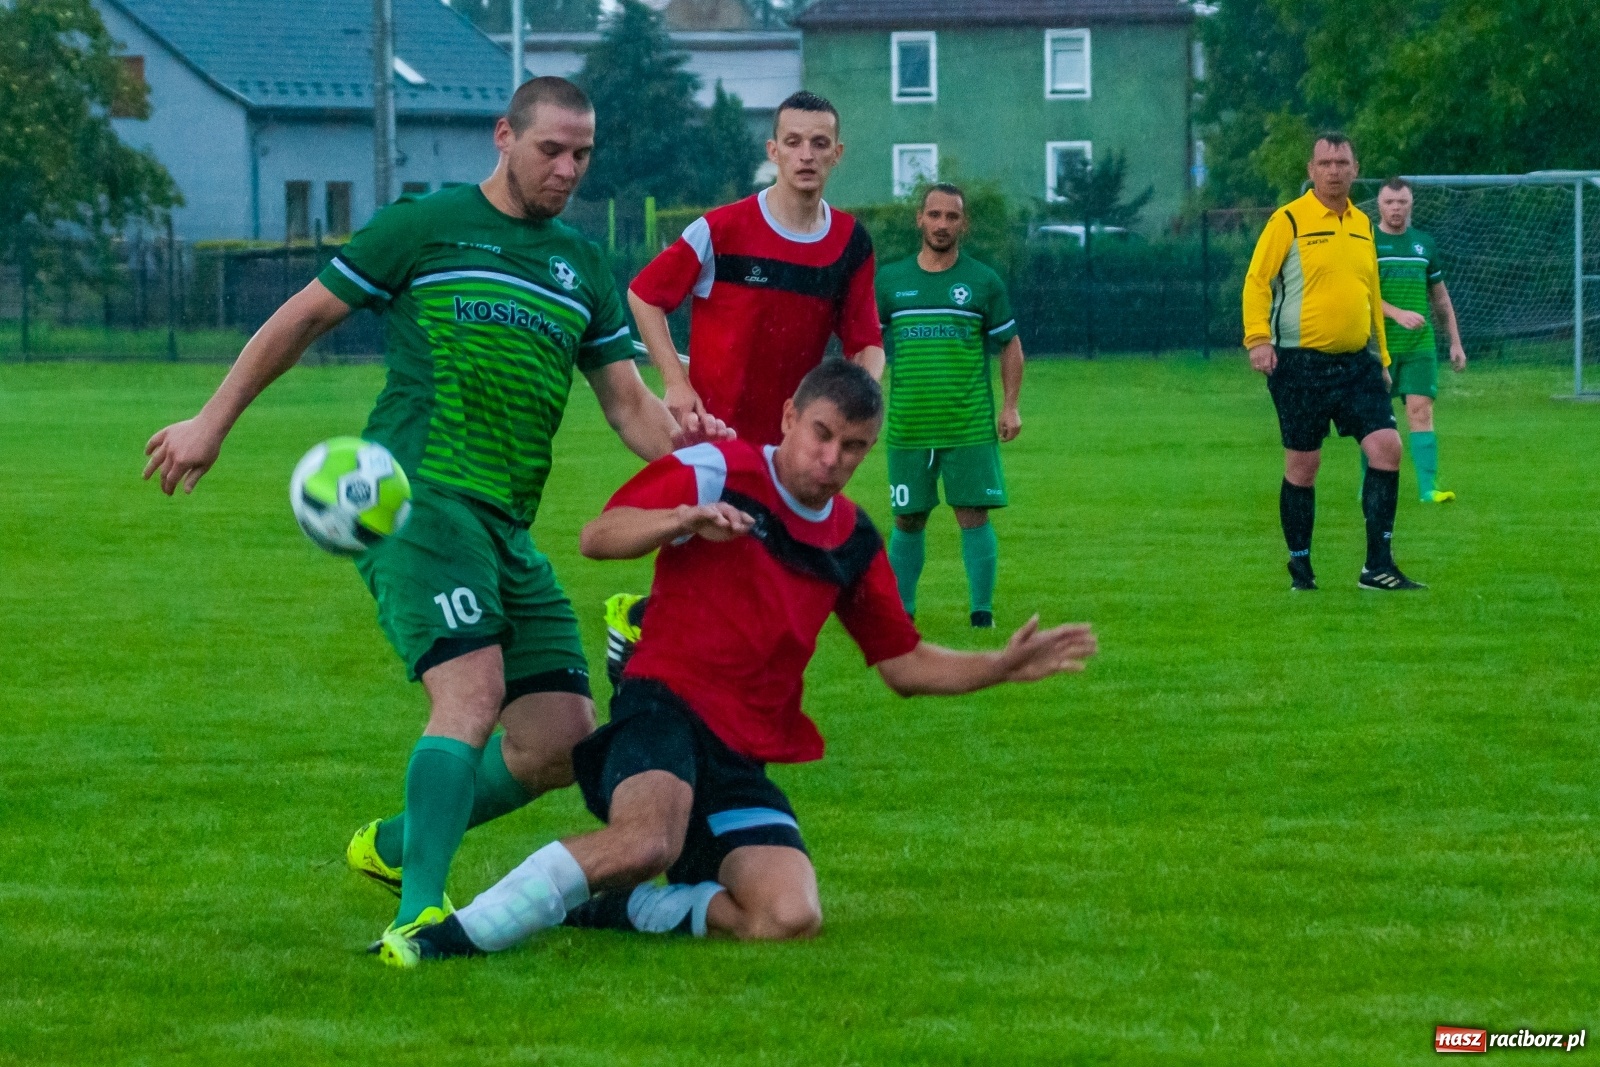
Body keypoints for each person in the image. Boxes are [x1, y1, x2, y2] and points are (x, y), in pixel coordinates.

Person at [142, 77, 727, 954]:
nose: (567, 169)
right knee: (472, 692)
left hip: (506, 527)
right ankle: (416, 913)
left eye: (582, 155)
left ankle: (395, 843)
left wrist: (709, 463)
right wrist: (209, 422)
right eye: (550, 151)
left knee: (560, 737)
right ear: (504, 136)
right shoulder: (427, 224)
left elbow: (630, 410)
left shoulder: (581, 266)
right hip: (416, 499)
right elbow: (303, 318)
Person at [376, 360, 1097, 966]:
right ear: (789, 416)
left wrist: (999, 664)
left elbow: (903, 663)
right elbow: (599, 535)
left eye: (853, 447)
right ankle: (452, 937)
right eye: (821, 434)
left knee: (789, 915)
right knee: (647, 837)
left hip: (741, 752)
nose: (831, 458)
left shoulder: (851, 538)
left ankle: (624, 908)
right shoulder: (717, 468)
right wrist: (682, 519)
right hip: (658, 712)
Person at [604, 90, 887, 681]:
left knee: (752, 584)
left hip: (787, 445)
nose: (805, 155)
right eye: (793, 142)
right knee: (718, 568)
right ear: (773, 151)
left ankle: (642, 626)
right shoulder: (722, 229)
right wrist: (676, 385)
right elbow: (644, 295)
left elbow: (867, 343)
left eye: (818, 144)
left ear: (838, 154)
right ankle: (648, 645)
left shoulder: (851, 244)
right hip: (717, 436)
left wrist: (858, 401)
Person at [1242, 132, 1423, 592]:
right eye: (1325, 163)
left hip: (1357, 364)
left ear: (1356, 168)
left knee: (1388, 449)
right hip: (1299, 364)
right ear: (1311, 170)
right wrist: (1258, 339)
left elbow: (1370, 294)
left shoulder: (1363, 223)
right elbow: (1257, 281)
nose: (1334, 170)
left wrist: (1381, 357)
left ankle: (1378, 567)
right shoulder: (1289, 220)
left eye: (1342, 162)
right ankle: (1301, 569)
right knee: (1304, 466)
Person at [875, 182, 1024, 628]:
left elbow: (1010, 346)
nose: (942, 225)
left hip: (968, 426)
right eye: (934, 215)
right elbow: (868, 346)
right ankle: (903, 616)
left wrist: (1010, 407)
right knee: (907, 519)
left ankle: (982, 615)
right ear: (919, 219)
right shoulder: (891, 282)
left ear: (965, 223)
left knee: (972, 516)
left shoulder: (983, 281)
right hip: (908, 427)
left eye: (952, 217)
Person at [1371, 176, 1467, 502]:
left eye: (1402, 202)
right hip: (1377, 345)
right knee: (1376, 421)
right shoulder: (1366, 241)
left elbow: (1440, 299)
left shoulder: (1424, 244)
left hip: (1420, 345)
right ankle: (1368, 486)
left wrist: (1455, 342)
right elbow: (1361, 295)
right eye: (1389, 202)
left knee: (1420, 412)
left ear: (1411, 204)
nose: (1396, 208)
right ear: (1379, 205)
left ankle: (1428, 489)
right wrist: (1397, 313)